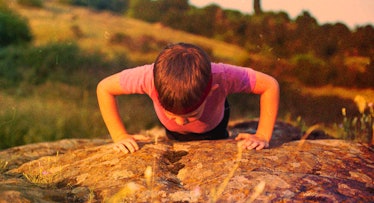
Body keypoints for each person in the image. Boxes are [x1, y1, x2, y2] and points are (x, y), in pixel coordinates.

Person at [97, 43, 279, 154]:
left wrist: (262, 135)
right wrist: (119, 135)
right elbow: (104, 88)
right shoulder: (147, 77)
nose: (181, 121)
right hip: (172, 134)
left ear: (210, 92)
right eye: (172, 114)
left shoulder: (223, 76)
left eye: (191, 114)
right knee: (177, 142)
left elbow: (270, 85)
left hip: (214, 130)